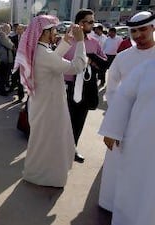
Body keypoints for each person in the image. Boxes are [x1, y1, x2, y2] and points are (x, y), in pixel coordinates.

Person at [14, 15, 86, 187]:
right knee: (50, 142)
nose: (56, 33)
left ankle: (36, 173)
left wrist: (67, 42)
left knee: (42, 142)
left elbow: (52, 58)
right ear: (45, 32)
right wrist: (80, 42)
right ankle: (47, 177)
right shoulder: (44, 54)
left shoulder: (39, 50)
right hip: (49, 107)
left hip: (42, 103)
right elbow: (78, 66)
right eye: (54, 30)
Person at [99, 11, 155, 213]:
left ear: (153, 28)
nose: (138, 35)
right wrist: (116, 121)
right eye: (134, 31)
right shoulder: (123, 58)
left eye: (143, 30)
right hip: (123, 122)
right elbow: (112, 90)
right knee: (117, 166)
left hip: (150, 126)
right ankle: (113, 205)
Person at [63, 9, 107, 163]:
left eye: (92, 21)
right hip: (67, 86)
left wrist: (92, 60)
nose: (90, 24)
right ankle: (59, 150)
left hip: (86, 87)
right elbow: (56, 63)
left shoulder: (95, 42)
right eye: (87, 21)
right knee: (64, 121)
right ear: (78, 23)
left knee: (79, 120)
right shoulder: (67, 41)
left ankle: (73, 148)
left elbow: (104, 64)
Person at [0, 23, 14, 96]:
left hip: (5, 57)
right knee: (3, 76)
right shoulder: (2, 35)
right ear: (5, 29)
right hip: (4, 58)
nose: (10, 30)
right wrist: (12, 45)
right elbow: (10, 45)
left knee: (3, 76)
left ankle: (2, 89)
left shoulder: (3, 35)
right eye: (9, 29)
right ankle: (1, 91)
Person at [10, 24, 26, 101]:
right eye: (18, 29)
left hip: (23, 61)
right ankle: (14, 90)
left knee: (20, 79)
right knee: (14, 77)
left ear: (23, 30)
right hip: (15, 60)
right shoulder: (12, 38)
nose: (19, 30)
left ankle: (21, 95)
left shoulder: (26, 39)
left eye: (20, 29)